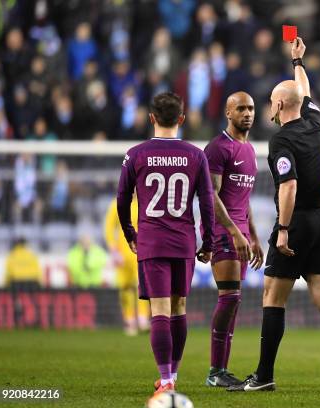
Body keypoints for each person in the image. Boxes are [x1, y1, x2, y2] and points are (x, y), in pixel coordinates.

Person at [227, 38, 320, 392]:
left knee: (273, 299)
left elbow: (287, 187)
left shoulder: (280, 140)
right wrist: (297, 62)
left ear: (277, 105)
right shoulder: (314, 121)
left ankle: (263, 376)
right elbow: (303, 92)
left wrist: (284, 230)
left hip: (298, 222)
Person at [117, 92, 215, 396]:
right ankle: (173, 374)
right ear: (182, 119)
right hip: (183, 241)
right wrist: (208, 240)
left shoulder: (135, 154)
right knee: (179, 307)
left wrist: (130, 233)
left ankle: (166, 379)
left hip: (151, 241)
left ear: (151, 118)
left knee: (158, 310)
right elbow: (208, 203)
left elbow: (122, 199)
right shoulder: (196, 155)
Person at [203, 91, 264, 387]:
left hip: (240, 235)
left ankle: (221, 370)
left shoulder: (249, 149)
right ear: (228, 112)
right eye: (241, 108)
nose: (247, 113)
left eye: (251, 108)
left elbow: (244, 198)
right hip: (223, 233)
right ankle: (215, 372)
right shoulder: (217, 148)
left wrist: (252, 235)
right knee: (229, 298)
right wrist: (235, 231)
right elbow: (211, 195)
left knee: (235, 302)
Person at [104, 195, 151, 336]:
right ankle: (129, 320)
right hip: (122, 253)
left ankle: (143, 319)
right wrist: (113, 249)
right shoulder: (117, 204)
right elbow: (109, 228)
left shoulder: (145, 202)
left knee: (142, 286)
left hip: (141, 252)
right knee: (125, 287)